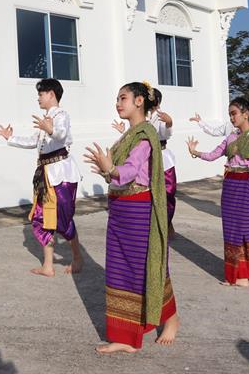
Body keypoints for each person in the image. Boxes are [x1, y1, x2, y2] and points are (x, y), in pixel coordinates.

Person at [85, 81, 178, 354]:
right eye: (116, 98)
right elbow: (116, 175)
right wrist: (105, 169)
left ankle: (171, 319)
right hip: (120, 209)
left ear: (139, 101)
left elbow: (127, 173)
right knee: (119, 270)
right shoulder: (126, 137)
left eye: (123, 98)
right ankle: (126, 337)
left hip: (138, 210)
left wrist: (109, 167)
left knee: (146, 269)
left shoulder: (145, 135)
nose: (118, 103)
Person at [186, 97, 249, 287]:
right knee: (231, 229)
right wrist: (195, 152)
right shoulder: (230, 137)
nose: (231, 117)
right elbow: (213, 155)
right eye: (230, 114)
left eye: (234, 113)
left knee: (246, 228)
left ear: (245, 114)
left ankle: (244, 275)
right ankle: (233, 274)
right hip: (230, 185)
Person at [0, 79, 82, 277]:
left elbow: (61, 135)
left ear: (51, 94)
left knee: (63, 218)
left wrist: (49, 128)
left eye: (41, 94)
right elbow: (33, 141)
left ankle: (77, 257)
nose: (38, 98)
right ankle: (48, 265)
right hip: (45, 175)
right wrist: (10, 138)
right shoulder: (45, 120)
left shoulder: (61, 115)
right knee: (42, 217)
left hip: (62, 175)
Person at [113, 88, 177, 237]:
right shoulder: (143, 121)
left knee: (167, 194)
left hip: (162, 157)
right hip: (147, 159)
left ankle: (166, 222)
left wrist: (169, 124)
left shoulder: (160, 117)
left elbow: (167, 133)